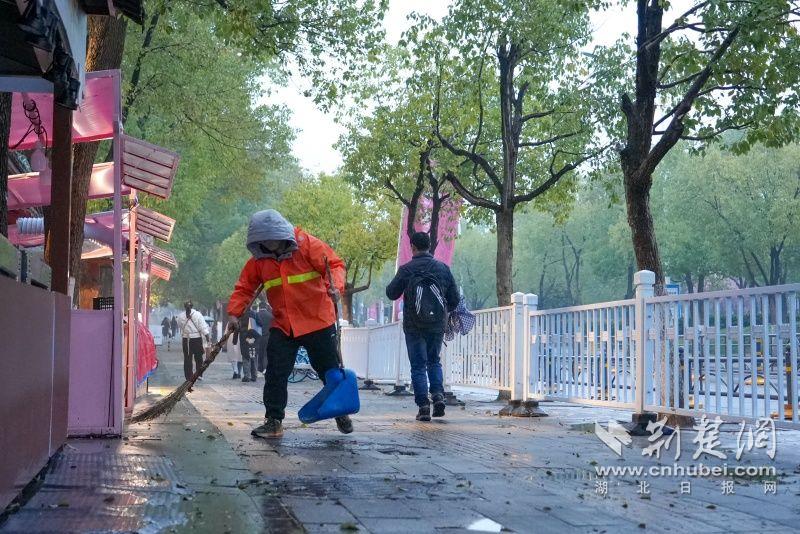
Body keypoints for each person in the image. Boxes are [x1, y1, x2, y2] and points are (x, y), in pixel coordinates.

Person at [226, 209, 351, 439]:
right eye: (263, 241)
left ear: (281, 234)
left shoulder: (308, 246)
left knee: (329, 369)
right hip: (284, 323)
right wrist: (234, 314)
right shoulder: (259, 261)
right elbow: (244, 287)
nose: (268, 244)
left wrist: (336, 286)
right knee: (275, 372)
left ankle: (341, 409)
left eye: (271, 239)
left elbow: (334, 265)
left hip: (317, 320)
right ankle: (273, 421)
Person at [386, 231, 459, 422]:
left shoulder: (406, 269)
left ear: (413, 247)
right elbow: (454, 299)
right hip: (436, 326)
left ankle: (424, 406)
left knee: (418, 365)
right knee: (434, 361)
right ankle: (438, 396)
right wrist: (442, 313)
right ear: (430, 246)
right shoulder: (442, 268)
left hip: (414, 325)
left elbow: (391, 293)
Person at [176, 300, 210, 383]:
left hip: (186, 339)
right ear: (192, 306)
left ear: (184, 307)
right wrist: (207, 337)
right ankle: (199, 375)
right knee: (199, 358)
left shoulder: (180, 316)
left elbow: (180, 326)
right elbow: (203, 327)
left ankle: (189, 376)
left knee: (187, 358)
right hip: (197, 339)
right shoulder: (198, 314)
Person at [254, 300, 274, 376]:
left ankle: (258, 368)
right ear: (266, 306)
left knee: (258, 353)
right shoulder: (270, 316)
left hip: (258, 337)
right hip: (267, 337)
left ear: (259, 307)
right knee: (266, 353)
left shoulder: (256, 315)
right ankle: (265, 368)